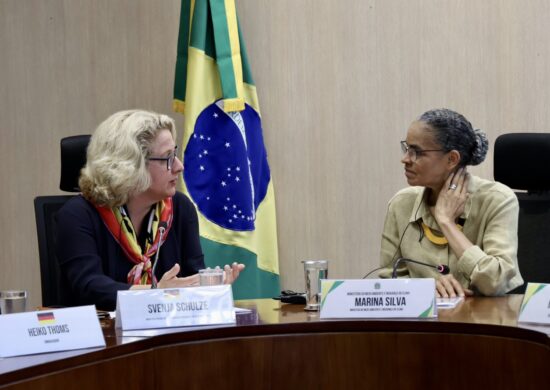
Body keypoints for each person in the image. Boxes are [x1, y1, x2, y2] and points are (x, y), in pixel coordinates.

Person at [56, 109, 244, 310]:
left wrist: (209, 288)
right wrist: (154, 293)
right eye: (168, 158)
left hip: (168, 336)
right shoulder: (78, 215)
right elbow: (89, 287)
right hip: (104, 337)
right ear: (131, 165)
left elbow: (191, 275)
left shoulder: (180, 209)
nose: (179, 166)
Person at [379, 108, 523, 297]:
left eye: (417, 152)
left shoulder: (497, 200)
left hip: (484, 321)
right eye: (407, 149)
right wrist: (425, 290)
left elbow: (496, 282)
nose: (405, 159)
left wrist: (446, 221)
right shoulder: (401, 204)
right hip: (422, 323)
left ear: (451, 159)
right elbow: (388, 284)